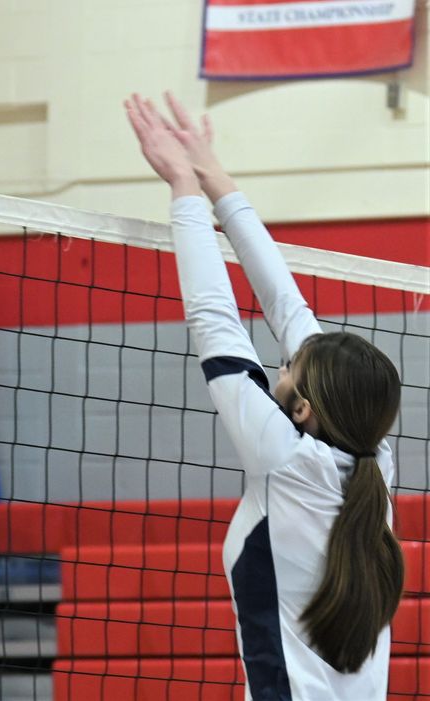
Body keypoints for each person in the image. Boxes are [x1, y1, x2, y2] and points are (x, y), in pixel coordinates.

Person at [125, 92, 403, 700]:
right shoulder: (373, 464)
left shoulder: (289, 458)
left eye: (284, 369)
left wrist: (184, 188)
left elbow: (215, 316)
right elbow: (289, 311)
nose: (279, 364)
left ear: (303, 409)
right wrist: (213, 177)